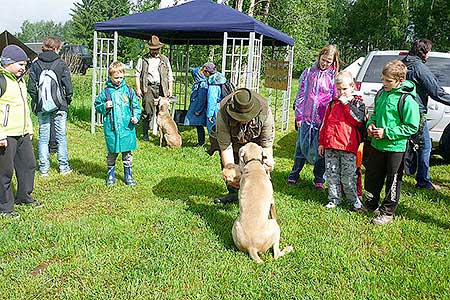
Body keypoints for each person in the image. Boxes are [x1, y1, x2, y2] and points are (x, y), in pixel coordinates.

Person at [364, 60, 420, 225]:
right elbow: (374, 114)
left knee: (393, 180)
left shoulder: (407, 100)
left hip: (396, 148)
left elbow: (411, 127)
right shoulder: (381, 93)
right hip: (376, 145)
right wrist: (370, 125)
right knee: (372, 176)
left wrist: (386, 132)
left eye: (388, 81)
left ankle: (387, 212)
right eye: (382, 79)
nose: (384, 83)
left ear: (400, 81)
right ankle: (370, 204)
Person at [209, 88, 275, 204]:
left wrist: (264, 167)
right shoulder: (223, 113)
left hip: (256, 146)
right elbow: (226, 147)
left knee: (259, 169)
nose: (243, 120)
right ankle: (234, 193)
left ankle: (258, 197)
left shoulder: (265, 112)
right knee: (232, 172)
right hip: (233, 143)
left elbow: (266, 145)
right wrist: (231, 171)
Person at [288, 44, 339, 189]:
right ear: (319, 57)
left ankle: (319, 178)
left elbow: (335, 99)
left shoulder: (333, 77)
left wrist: (331, 120)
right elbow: (301, 94)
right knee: (300, 147)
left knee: (321, 150)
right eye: (323, 60)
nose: (324, 63)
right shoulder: (309, 72)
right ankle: (294, 174)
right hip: (306, 118)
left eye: (328, 61)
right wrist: (299, 116)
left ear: (333, 62)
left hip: (323, 120)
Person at [402, 39, 450, 190]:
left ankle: (395, 175)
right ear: (424, 52)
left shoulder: (401, 64)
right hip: (416, 112)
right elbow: (436, 91)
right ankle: (423, 182)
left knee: (401, 144)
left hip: (400, 110)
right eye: (429, 51)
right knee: (425, 146)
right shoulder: (419, 68)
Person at [0, 45, 42, 218]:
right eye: (20, 64)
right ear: (7, 63)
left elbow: (24, 107)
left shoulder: (21, 81)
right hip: (6, 134)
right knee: (5, 172)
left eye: (25, 64)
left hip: (23, 132)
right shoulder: (2, 80)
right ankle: (5, 207)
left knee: (29, 165)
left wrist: (29, 128)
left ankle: (24, 196)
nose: (23, 68)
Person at [318, 71, 365, 212]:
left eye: (344, 89)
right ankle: (334, 199)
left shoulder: (357, 103)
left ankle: (354, 200)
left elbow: (357, 120)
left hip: (347, 146)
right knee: (332, 175)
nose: (341, 92)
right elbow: (325, 124)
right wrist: (322, 142)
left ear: (352, 86)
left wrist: (346, 105)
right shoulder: (332, 104)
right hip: (331, 145)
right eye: (338, 89)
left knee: (348, 175)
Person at [28, 36, 73, 176]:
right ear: (56, 48)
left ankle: (44, 169)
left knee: (43, 137)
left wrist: (38, 101)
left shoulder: (35, 64)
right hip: (59, 105)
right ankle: (63, 167)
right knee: (61, 136)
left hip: (42, 106)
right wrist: (67, 100)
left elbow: (31, 88)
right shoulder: (61, 63)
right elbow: (68, 87)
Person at [95, 61, 142, 186]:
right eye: (116, 78)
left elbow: (136, 107)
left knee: (127, 153)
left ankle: (128, 175)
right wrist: (104, 106)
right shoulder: (106, 93)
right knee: (112, 153)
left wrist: (136, 117)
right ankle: (111, 175)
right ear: (110, 76)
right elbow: (97, 105)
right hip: (112, 128)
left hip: (127, 128)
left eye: (121, 77)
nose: (119, 80)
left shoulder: (129, 91)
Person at [135, 35, 173, 141]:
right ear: (149, 48)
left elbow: (170, 75)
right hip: (148, 87)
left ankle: (162, 136)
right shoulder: (143, 59)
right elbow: (137, 74)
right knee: (147, 110)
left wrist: (170, 89)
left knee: (163, 111)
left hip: (162, 87)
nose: (155, 51)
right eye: (153, 49)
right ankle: (145, 133)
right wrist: (138, 88)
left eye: (156, 49)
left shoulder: (164, 59)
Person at [184, 66, 208, 146]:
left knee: (199, 126)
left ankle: (201, 142)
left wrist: (198, 110)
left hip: (199, 109)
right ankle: (201, 142)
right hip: (197, 107)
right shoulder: (199, 83)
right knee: (198, 126)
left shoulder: (202, 85)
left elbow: (201, 99)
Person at [201, 62, 227, 134]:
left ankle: (215, 144)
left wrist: (210, 115)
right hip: (223, 106)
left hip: (216, 110)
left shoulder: (213, 85)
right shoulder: (220, 78)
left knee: (214, 129)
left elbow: (212, 100)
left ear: (208, 72)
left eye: (204, 72)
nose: (203, 74)